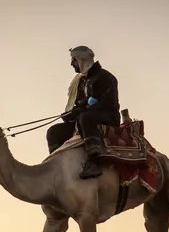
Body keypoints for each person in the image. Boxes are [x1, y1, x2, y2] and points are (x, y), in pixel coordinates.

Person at [46, 46, 120, 179]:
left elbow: (109, 103)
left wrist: (84, 109)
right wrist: (72, 114)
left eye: (73, 60)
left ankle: (93, 162)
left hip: (108, 116)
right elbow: (80, 104)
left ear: (81, 60)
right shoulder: (82, 82)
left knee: (86, 118)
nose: (71, 64)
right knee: (54, 132)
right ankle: (57, 167)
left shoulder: (106, 77)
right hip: (86, 118)